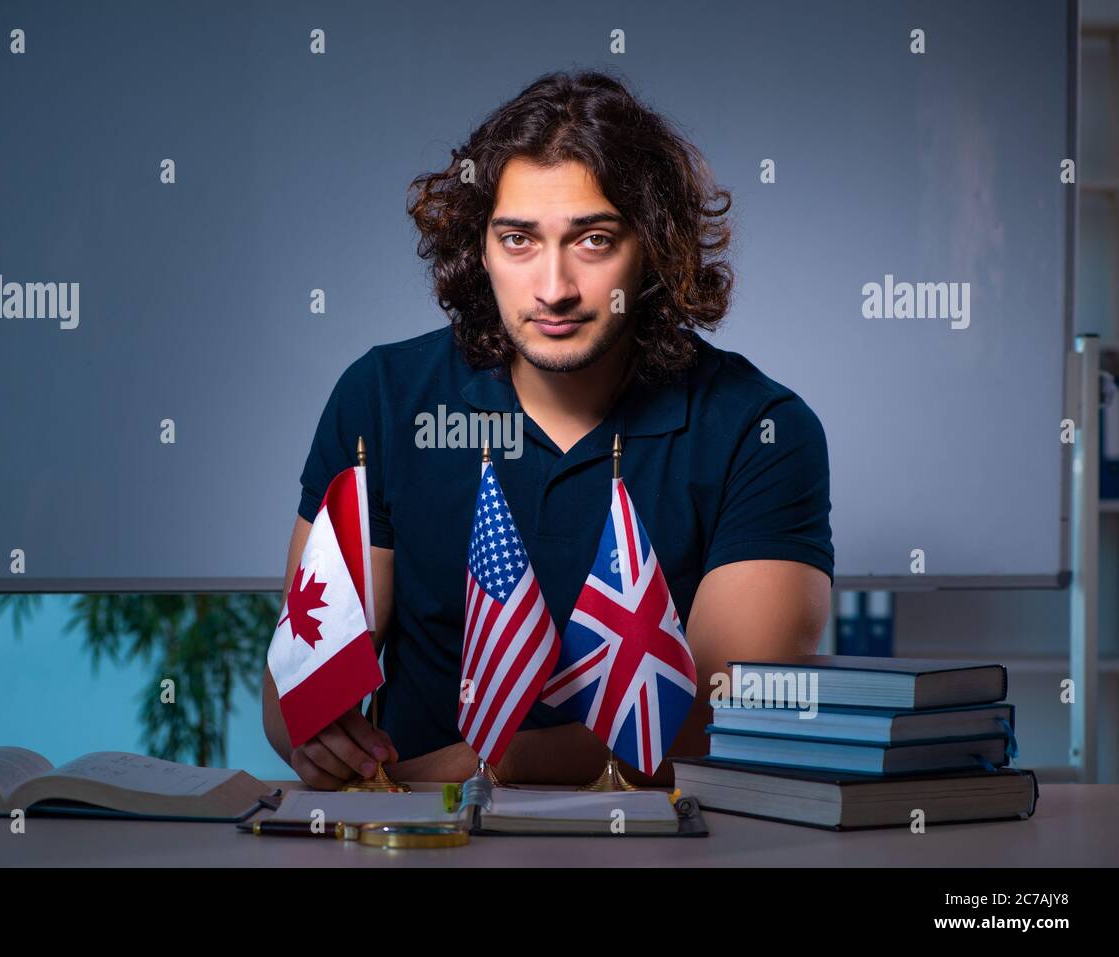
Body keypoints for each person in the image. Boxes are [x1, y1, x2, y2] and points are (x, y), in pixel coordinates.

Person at [262, 70, 833, 788]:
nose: (554, 286)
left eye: (593, 240)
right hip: (416, 839)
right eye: (519, 240)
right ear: (481, 249)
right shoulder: (381, 400)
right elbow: (298, 682)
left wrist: (493, 768)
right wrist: (316, 733)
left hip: (662, 848)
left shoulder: (760, 429)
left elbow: (727, 716)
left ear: (653, 248)